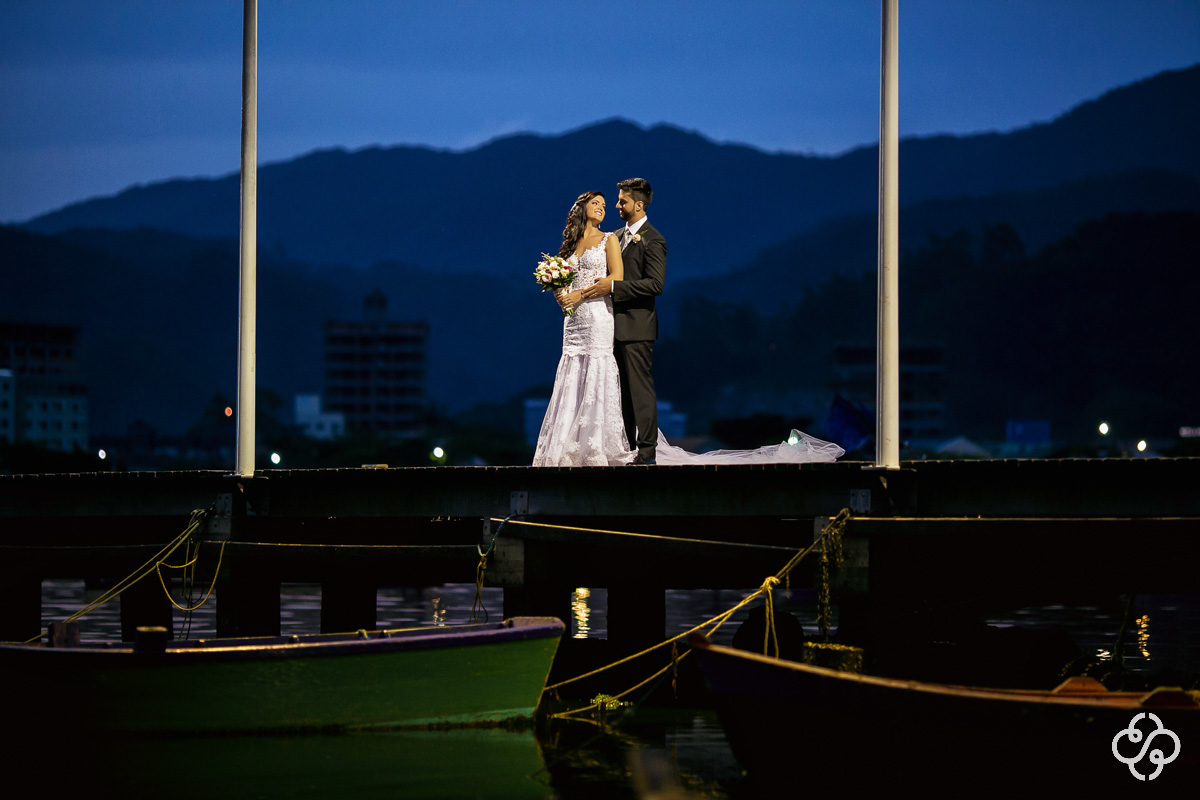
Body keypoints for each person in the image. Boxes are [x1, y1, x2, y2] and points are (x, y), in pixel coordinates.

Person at [531, 191, 637, 467]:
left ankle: (595, 447)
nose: (602, 208)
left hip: (598, 316)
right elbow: (563, 280)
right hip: (573, 321)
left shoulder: (609, 240)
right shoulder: (569, 245)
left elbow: (617, 277)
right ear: (581, 208)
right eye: (596, 204)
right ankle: (567, 446)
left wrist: (579, 295)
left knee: (596, 369)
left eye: (604, 205)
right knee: (572, 370)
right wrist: (560, 292)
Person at [580, 178, 665, 464]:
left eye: (622, 201)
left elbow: (655, 284)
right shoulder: (614, 236)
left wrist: (614, 287)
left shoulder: (653, 239)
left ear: (638, 205)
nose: (616, 205)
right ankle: (626, 448)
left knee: (639, 390)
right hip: (607, 327)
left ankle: (647, 451)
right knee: (619, 393)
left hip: (637, 326)